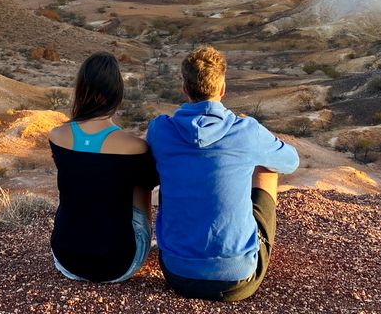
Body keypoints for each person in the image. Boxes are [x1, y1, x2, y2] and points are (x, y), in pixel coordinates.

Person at [147, 45, 299, 302]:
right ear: (222, 88)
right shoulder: (247, 131)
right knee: (266, 169)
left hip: (176, 273)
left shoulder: (160, 130)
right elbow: (291, 162)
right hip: (237, 280)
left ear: (185, 88)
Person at [47, 52, 158, 283]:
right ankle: (139, 240)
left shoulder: (57, 137)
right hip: (119, 263)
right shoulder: (135, 147)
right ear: (116, 94)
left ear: (81, 91)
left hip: (67, 259)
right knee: (141, 185)